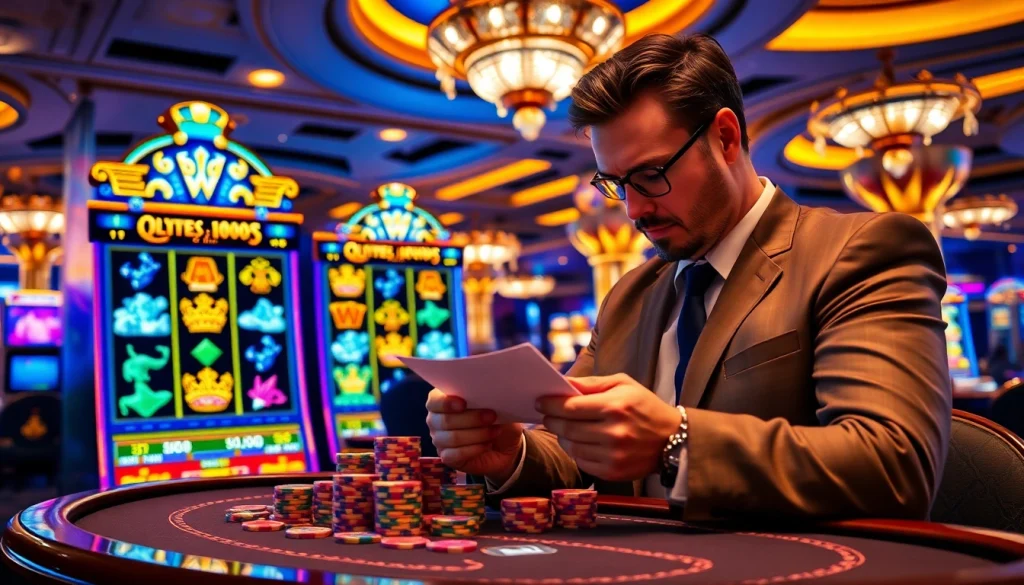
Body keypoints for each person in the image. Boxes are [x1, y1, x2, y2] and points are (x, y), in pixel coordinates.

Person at [426, 33, 951, 520]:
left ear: (725, 137)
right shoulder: (629, 295)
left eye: (651, 175)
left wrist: (675, 441)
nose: (633, 210)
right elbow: (575, 451)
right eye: (617, 184)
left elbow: (894, 464)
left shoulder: (861, 251)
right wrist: (512, 454)